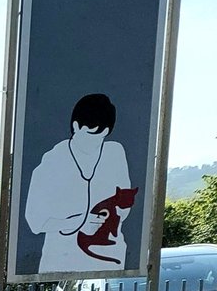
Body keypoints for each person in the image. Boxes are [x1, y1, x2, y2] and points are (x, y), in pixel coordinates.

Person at [25, 93, 136, 273]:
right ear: (76, 126)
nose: (94, 142)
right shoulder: (53, 160)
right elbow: (35, 221)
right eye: (89, 134)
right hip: (62, 260)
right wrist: (79, 222)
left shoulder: (115, 152)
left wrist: (114, 211)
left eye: (101, 136)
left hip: (110, 257)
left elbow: (125, 205)